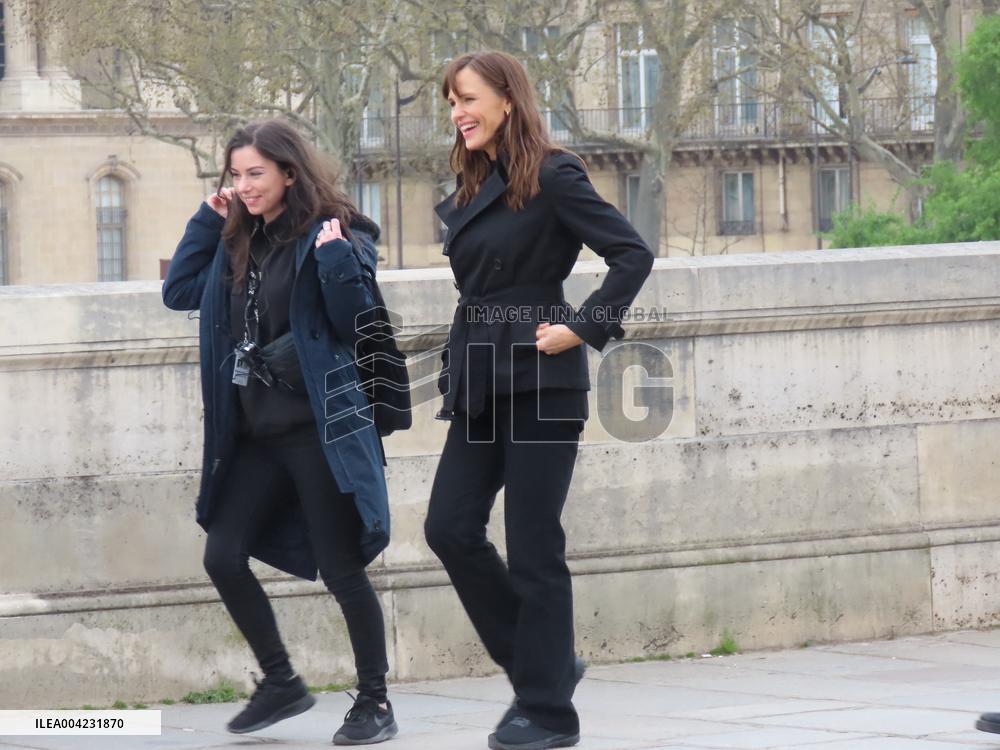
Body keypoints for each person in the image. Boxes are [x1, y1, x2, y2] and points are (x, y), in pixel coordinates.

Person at [424, 51, 654, 750]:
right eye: (452, 103)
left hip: (542, 382)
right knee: (449, 527)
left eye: (467, 99)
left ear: (505, 98)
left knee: (532, 548)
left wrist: (581, 328)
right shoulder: (473, 185)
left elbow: (631, 253)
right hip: (480, 374)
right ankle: (544, 666)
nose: (458, 113)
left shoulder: (552, 172)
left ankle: (548, 712)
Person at [162, 119, 398, 745]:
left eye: (255, 174)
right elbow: (179, 292)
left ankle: (375, 702)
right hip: (256, 436)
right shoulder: (237, 240)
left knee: (342, 570)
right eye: (235, 176)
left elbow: (358, 323)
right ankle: (281, 681)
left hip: (318, 434)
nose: (243, 186)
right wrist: (207, 220)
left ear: (289, 172)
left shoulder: (338, 230)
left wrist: (335, 257)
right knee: (222, 554)